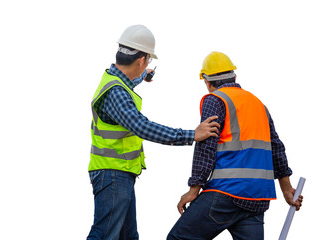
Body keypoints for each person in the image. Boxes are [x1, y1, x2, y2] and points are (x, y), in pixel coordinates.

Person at [87, 25, 220, 240]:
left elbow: (127, 83)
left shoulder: (115, 79)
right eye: (148, 61)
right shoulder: (116, 93)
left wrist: (142, 78)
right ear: (141, 60)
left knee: (128, 236)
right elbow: (143, 127)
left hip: (119, 173)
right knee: (104, 235)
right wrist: (191, 135)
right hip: (112, 174)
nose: (147, 64)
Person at [167, 51, 303, 240]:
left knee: (179, 238)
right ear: (235, 77)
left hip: (227, 192)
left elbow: (206, 145)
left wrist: (193, 189)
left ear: (207, 82)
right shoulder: (258, 104)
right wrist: (287, 189)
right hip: (258, 197)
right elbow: (276, 147)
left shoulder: (215, 99)